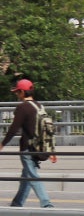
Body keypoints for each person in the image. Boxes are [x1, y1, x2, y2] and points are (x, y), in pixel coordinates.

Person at [0, 79, 57, 208]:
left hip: (27, 148)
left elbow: (14, 129)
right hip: (40, 147)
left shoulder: (22, 107)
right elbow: (47, 130)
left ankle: (46, 203)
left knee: (31, 175)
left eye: (17, 92)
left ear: (22, 92)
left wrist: (2, 144)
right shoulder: (39, 106)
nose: (16, 95)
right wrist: (51, 150)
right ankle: (17, 203)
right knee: (26, 176)